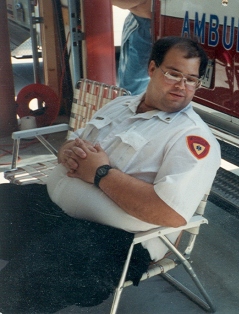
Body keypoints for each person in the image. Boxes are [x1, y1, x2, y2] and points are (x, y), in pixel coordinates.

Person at [0, 36, 220, 312]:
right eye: (173, 74)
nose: (182, 86)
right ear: (152, 69)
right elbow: (75, 141)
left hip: (116, 241)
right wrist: (66, 151)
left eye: (191, 79)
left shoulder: (192, 137)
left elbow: (170, 214)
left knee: (21, 285)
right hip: (53, 207)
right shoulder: (120, 106)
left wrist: (101, 173)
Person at [112, 0, 153, 94]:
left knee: (132, 87)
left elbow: (146, 6)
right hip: (138, 22)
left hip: (145, 26)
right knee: (130, 85)